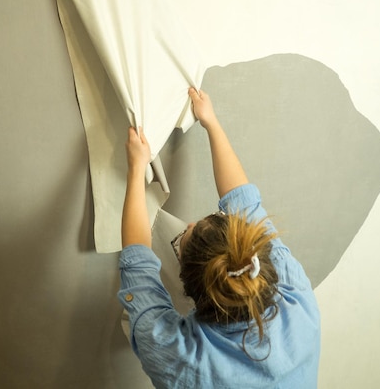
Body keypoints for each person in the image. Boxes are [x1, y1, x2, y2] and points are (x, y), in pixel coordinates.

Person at [118, 88, 321, 388]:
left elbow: (138, 265)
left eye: (180, 240)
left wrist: (136, 169)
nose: (187, 224)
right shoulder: (297, 300)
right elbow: (245, 202)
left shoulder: (184, 360)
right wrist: (211, 122)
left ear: (186, 284)